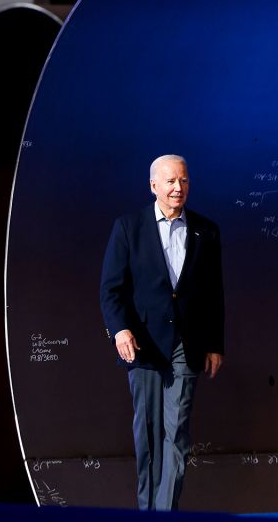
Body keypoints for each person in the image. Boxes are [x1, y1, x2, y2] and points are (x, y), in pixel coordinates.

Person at [100, 154, 224, 511]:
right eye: (170, 181)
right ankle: (147, 509)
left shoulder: (206, 230)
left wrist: (215, 344)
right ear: (153, 185)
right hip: (143, 346)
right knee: (149, 437)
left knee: (177, 434)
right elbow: (111, 289)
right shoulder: (128, 227)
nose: (178, 188)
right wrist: (120, 330)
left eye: (183, 181)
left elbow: (214, 294)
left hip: (187, 345)